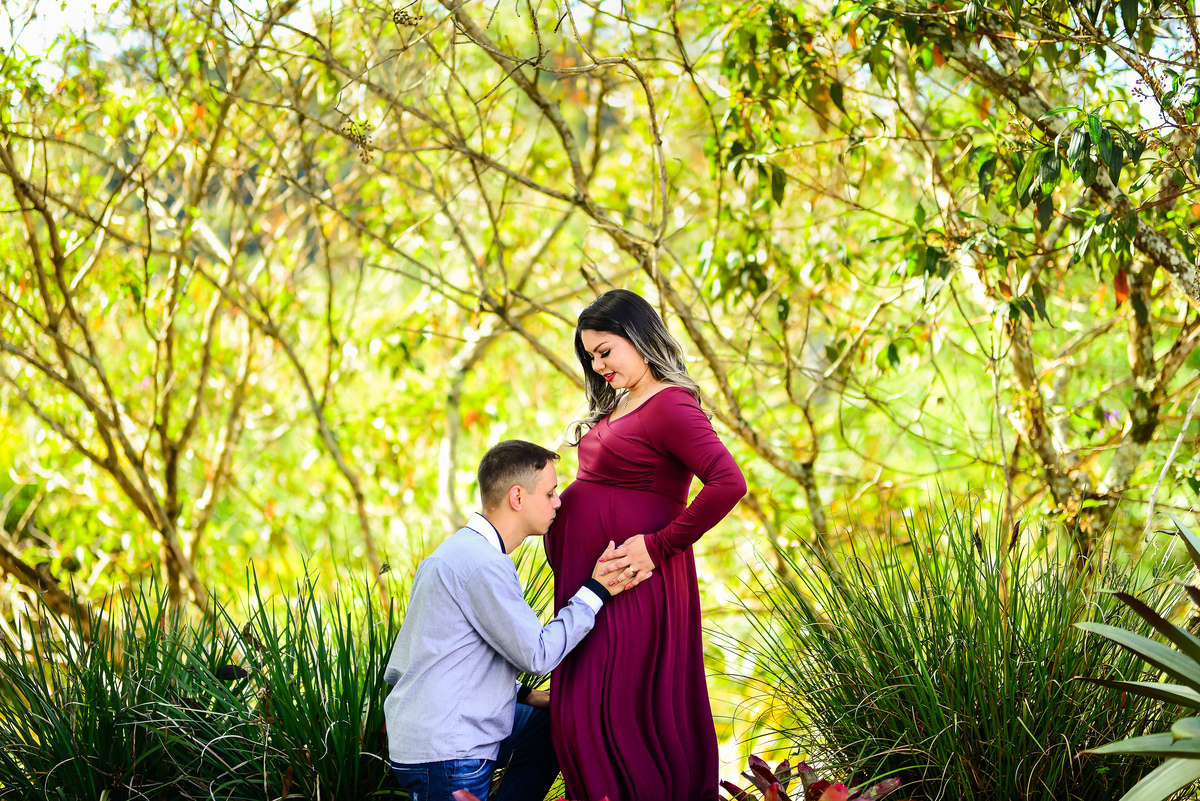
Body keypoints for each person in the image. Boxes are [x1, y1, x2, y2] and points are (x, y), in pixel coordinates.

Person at [544, 289, 748, 801]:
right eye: (590, 356)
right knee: (580, 717)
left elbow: (729, 483)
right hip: (596, 588)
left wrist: (659, 547)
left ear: (638, 337)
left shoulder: (670, 405)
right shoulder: (624, 403)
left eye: (605, 350)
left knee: (613, 714)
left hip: (633, 588)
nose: (597, 363)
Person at [383, 440, 642, 801]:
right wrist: (596, 590)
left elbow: (444, 656)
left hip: (425, 733)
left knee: (551, 729)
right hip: (448, 751)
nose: (558, 502)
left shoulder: (456, 553)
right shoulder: (482, 564)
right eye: (550, 493)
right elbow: (537, 655)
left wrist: (530, 695)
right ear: (517, 498)